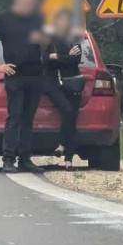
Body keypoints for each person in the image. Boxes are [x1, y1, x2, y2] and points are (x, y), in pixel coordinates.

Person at [0, 0, 47, 173]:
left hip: (36, 74)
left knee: (28, 119)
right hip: (15, 74)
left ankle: (25, 158)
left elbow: (49, 41)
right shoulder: (4, 19)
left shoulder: (38, 19)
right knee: (15, 117)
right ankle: (8, 159)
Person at [42, 12, 84, 170]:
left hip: (73, 82)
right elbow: (45, 60)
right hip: (53, 83)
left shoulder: (74, 38)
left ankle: (68, 159)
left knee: (72, 118)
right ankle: (61, 145)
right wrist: (65, 56)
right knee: (67, 111)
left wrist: (57, 57)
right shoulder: (48, 39)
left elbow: (76, 59)